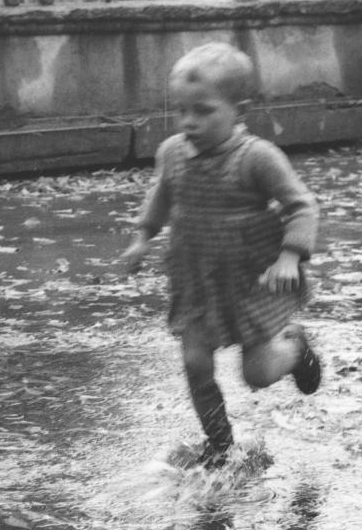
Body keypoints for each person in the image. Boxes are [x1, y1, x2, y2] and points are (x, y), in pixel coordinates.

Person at [121, 42, 321, 466]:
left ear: (238, 109)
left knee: (258, 374)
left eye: (204, 110)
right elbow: (162, 195)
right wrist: (143, 236)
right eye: (182, 111)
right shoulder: (172, 152)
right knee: (195, 363)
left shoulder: (257, 158)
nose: (189, 122)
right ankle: (220, 446)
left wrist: (290, 256)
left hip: (248, 282)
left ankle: (295, 348)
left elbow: (302, 206)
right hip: (195, 280)